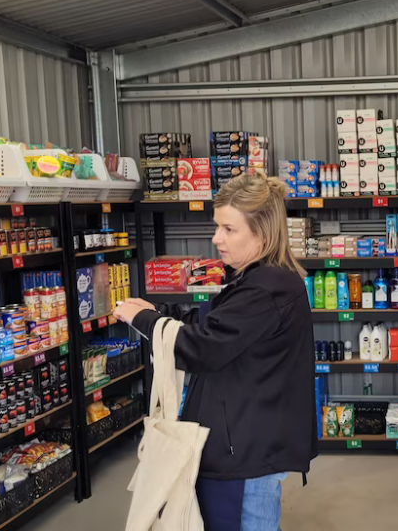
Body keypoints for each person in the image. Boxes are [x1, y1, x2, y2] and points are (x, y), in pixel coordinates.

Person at [114, 173, 317, 531]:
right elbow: (210, 324)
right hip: (240, 441)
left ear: (263, 234)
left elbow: (202, 348)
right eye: (217, 227)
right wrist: (159, 312)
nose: (216, 239)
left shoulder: (266, 289)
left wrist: (146, 322)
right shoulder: (255, 278)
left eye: (228, 229)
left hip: (244, 453)